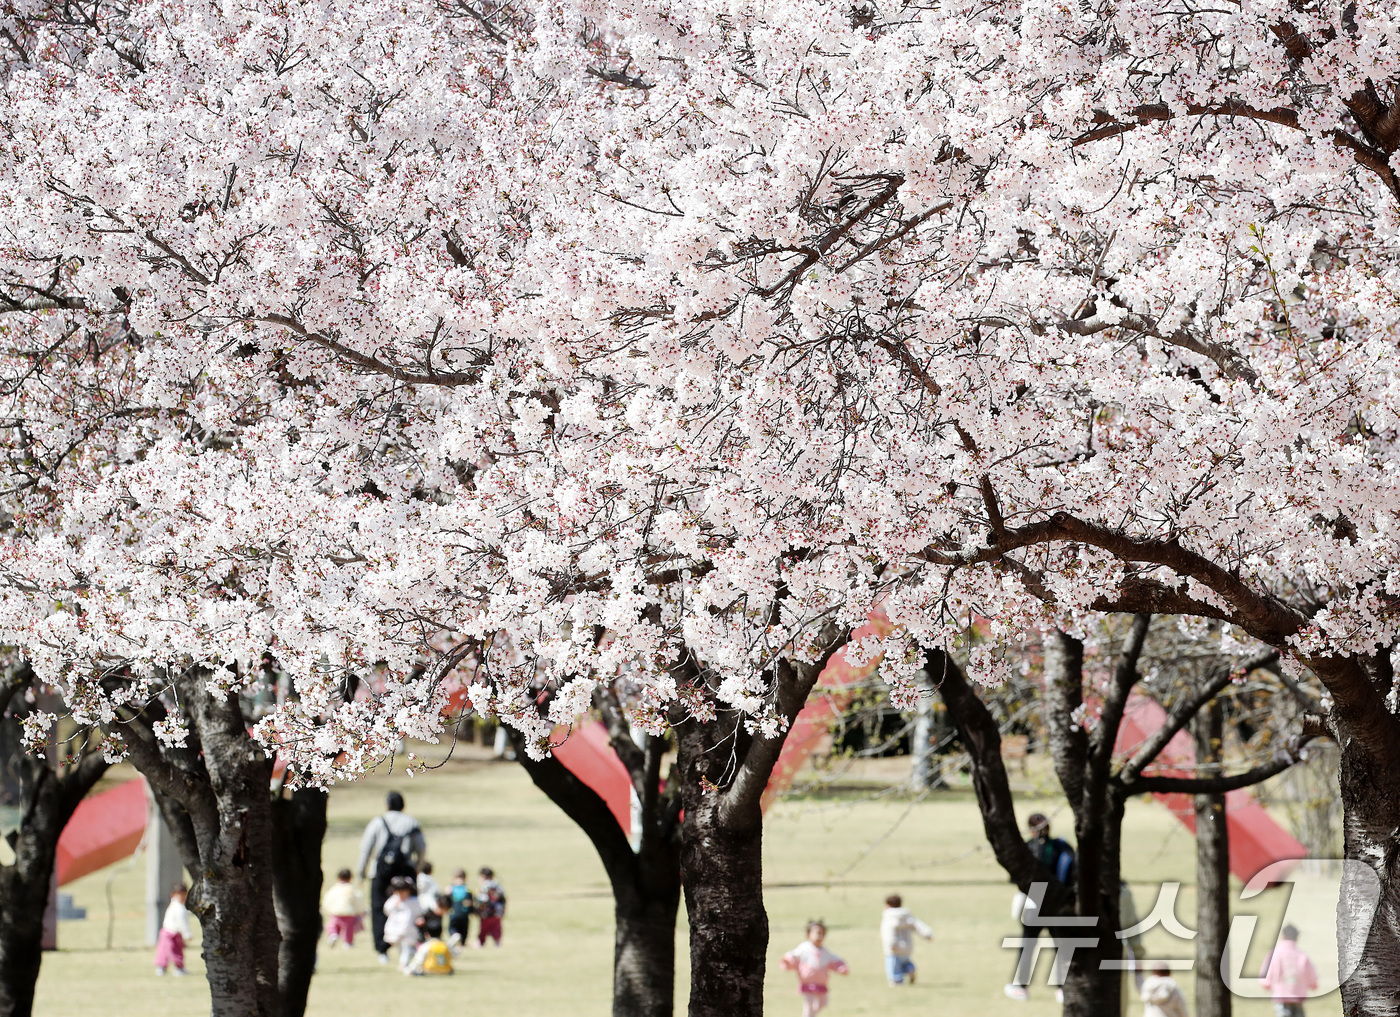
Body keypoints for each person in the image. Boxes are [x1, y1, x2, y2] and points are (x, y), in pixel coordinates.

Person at [1005, 812, 1075, 1002]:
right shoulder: (1062, 846)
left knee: (1028, 945)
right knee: (1060, 945)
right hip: (1057, 901)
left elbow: (1015, 877)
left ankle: (1021, 984)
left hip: (1033, 902)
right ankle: (1063, 987)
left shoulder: (1026, 848)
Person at [356, 791, 426, 962]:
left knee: (379, 908)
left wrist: (361, 872)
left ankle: (382, 949)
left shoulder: (378, 822)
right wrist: (418, 866)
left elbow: (366, 848)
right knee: (409, 907)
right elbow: (421, 848)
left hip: (380, 872)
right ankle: (410, 947)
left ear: (387, 804)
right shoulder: (411, 822)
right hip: (405, 872)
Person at [781, 921, 849, 1017]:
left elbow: (834, 960)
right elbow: (793, 955)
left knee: (824, 1002)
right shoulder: (804, 948)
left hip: (821, 983)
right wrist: (787, 961)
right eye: (817, 933)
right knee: (808, 1005)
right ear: (808, 934)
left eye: (822, 933)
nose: (819, 936)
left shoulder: (825, 951)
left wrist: (841, 968)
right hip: (808, 983)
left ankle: (811, 1015)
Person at [1260, 925, 1318, 1017]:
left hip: (1281, 996)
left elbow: (1267, 973)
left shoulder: (1275, 954)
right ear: (1297, 938)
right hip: (1298, 996)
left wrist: (1266, 984)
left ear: (1283, 936)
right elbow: (1311, 976)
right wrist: (1313, 984)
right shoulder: (1301, 955)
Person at [880, 893, 933, 986]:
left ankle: (896, 981)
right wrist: (927, 934)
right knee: (905, 962)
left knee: (893, 965)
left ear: (888, 905)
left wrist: (891, 944)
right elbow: (918, 925)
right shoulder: (906, 915)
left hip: (894, 947)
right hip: (907, 946)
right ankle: (910, 969)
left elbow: (888, 933)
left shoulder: (888, 917)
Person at [382, 875, 425, 972]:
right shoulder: (393, 900)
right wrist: (394, 905)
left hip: (409, 929)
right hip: (396, 928)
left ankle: (403, 964)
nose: (402, 895)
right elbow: (386, 910)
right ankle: (406, 960)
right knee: (401, 948)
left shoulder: (413, 901)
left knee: (406, 946)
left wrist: (419, 919)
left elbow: (418, 912)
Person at [406, 895, 455, 976]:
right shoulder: (427, 914)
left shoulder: (440, 916)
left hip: (437, 942)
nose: (444, 912)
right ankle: (414, 969)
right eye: (443, 909)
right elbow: (418, 926)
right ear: (438, 905)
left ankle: (443, 967)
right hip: (424, 941)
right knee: (421, 956)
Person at [154, 882, 192, 976]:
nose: (183, 898)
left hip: (171, 933)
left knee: (171, 951)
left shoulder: (176, 906)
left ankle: (173, 967)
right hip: (170, 933)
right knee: (170, 951)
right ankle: (173, 968)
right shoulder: (178, 908)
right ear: (174, 895)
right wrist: (187, 934)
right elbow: (182, 923)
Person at [322, 868, 366, 947]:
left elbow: (328, 899)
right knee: (348, 929)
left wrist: (327, 909)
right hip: (349, 912)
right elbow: (358, 900)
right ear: (350, 878)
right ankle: (348, 942)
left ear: (338, 878)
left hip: (336, 912)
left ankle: (333, 935)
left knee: (333, 926)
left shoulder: (334, 889)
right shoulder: (352, 889)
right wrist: (360, 911)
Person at [448, 868, 476, 947]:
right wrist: (471, 912)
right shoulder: (467, 890)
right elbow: (470, 903)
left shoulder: (450, 889)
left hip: (453, 913)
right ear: (465, 878)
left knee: (452, 928)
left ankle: (454, 936)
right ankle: (463, 942)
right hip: (464, 914)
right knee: (464, 929)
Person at [477, 882, 505, 947]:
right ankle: (480, 943)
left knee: (496, 931)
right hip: (485, 918)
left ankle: (497, 942)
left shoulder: (498, 899)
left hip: (495, 918)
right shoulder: (484, 898)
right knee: (483, 932)